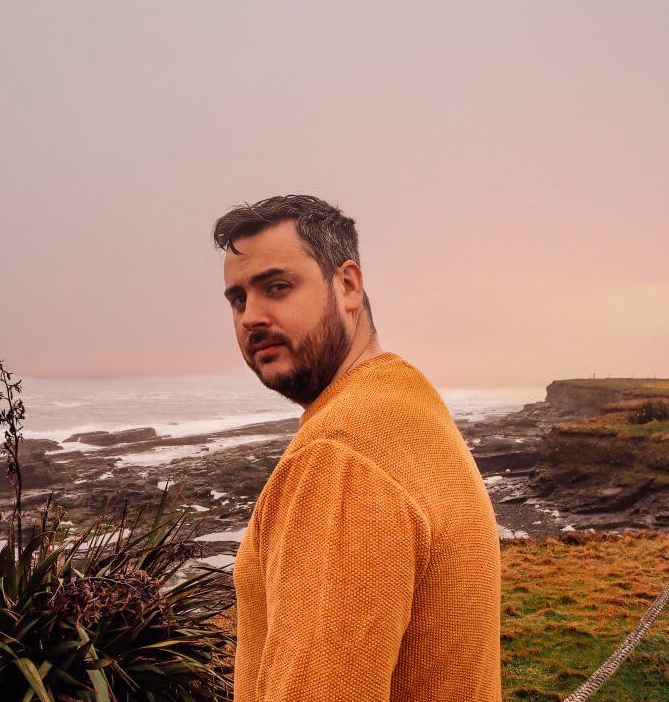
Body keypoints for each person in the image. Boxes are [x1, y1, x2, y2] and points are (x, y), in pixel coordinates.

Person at [212, 195, 501, 702]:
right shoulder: (404, 400)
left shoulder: (341, 454)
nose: (251, 317)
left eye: (277, 287)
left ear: (347, 285)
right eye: (238, 299)